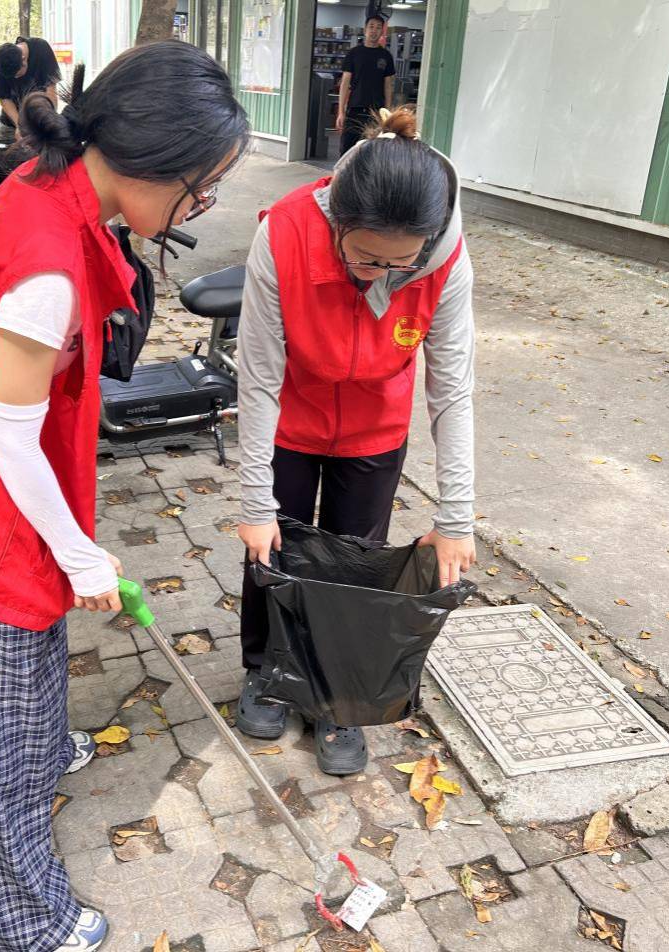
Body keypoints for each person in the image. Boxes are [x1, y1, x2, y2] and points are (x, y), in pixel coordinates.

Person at [0, 41, 248, 952]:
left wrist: (74, 549)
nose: (202, 207)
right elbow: (8, 438)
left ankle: (48, 745)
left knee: (35, 663)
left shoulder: (51, 183)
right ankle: (14, 920)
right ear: (152, 163)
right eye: (203, 188)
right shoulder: (47, 264)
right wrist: (82, 553)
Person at [234, 107, 476, 776]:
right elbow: (257, 377)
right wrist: (254, 502)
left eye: (401, 263)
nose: (380, 274)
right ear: (336, 221)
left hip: (375, 429)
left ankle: (336, 696)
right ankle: (266, 671)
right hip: (289, 418)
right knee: (272, 552)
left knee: (355, 567)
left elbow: (452, 390)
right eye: (365, 257)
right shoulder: (283, 233)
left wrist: (456, 519)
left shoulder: (446, 258)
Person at [335, 13, 395, 155]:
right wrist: (341, 112)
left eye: (378, 27)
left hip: (376, 112)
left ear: (382, 31)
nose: (374, 30)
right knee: (347, 151)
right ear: (365, 29)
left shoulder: (386, 56)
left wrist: (387, 113)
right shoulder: (354, 53)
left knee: (372, 152)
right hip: (355, 109)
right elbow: (345, 83)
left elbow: (388, 85)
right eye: (371, 26)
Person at [0, 37, 63, 145]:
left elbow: (50, 90)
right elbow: (4, 97)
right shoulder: (1, 60)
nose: (15, 78)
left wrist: (48, 122)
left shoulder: (41, 49)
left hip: (39, 123)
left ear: (23, 59)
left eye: (18, 74)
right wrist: (19, 125)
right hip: (11, 122)